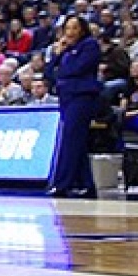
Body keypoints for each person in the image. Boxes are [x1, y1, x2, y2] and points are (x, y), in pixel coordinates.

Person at [45, 14, 102, 198]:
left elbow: (75, 69)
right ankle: (87, 185)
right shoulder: (65, 50)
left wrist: (61, 67)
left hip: (82, 97)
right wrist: (57, 55)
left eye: (74, 28)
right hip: (66, 98)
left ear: (82, 30)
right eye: (67, 28)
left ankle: (62, 184)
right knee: (77, 142)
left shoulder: (89, 45)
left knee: (70, 139)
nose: (70, 32)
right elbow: (48, 73)